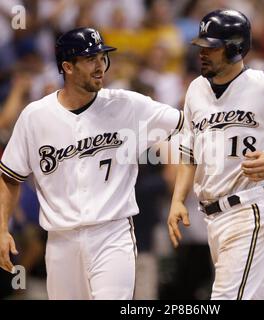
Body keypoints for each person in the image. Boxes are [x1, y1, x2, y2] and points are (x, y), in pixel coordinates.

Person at [0, 27, 183, 300]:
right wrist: (2, 229)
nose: (100, 66)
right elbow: (10, 176)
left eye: (102, 58)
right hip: (60, 241)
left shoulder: (128, 105)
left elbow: (189, 123)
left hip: (112, 234)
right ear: (67, 67)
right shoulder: (35, 116)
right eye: (90, 59)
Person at [167, 9, 264, 300]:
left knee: (225, 297)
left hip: (249, 211)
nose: (202, 53)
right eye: (201, 46)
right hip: (212, 217)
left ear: (236, 48)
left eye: (211, 47)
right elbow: (189, 151)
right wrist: (177, 200)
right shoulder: (196, 89)